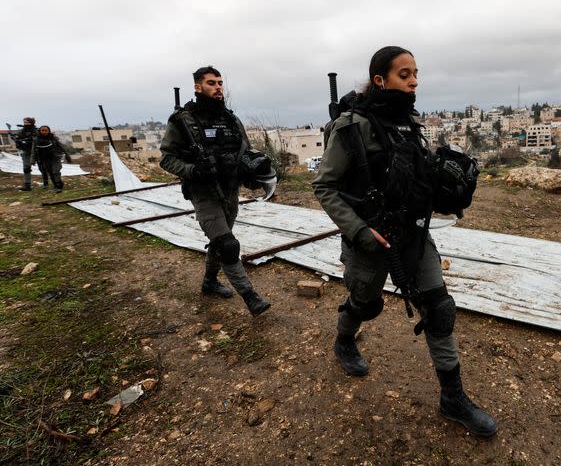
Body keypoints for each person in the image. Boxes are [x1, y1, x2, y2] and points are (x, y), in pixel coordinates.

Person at [312, 46, 498, 437]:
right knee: (366, 305)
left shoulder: (409, 123)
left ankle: (453, 399)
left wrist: (447, 183)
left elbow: (415, 177)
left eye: (416, 72)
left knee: (439, 308)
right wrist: (360, 231)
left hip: (413, 234)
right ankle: (344, 341)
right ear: (380, 80)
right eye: (404, 73)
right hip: (370, 241)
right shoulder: (353, 127)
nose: (414, 80)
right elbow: (324, 186)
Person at [160, 65, 271, 317]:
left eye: (220, 83)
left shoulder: (231, 119)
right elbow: (166, 159)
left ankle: (209, 282)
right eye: (211, 83)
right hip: (204, 193)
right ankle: (251, 297)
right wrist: (193, 170)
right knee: (228, 245)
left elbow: (246, 152)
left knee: (219, 241)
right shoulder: (183, 120)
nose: (218, 87)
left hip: (230, 192)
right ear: (198, 87)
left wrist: (254, 172)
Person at [31, 125, 70, 193]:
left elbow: (61, 146)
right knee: (50, 172)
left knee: (55, 171)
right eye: (42, 130)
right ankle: (56, 185)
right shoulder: (36, 140)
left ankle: (58, 186)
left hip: (55, 157)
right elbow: (33, 150)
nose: (44, 132)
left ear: (48, 131)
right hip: (44, 159)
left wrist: (67, 155)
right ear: (40, 131)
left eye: (46, 130)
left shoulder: (53, 138)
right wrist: (32, 160)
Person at [14, 117, 37, 191]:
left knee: (43, 167)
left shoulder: (35, 130)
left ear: (31, 123)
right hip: (26, 151)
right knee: (26, 168)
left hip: (36, 151)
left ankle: (48, 183)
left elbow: (35, 139)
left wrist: (26, 140)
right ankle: (27, 185)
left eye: (27, 122)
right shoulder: (22, 131)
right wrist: (16, 139)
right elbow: (18, 138)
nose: (25, 124)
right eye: (24, 122)